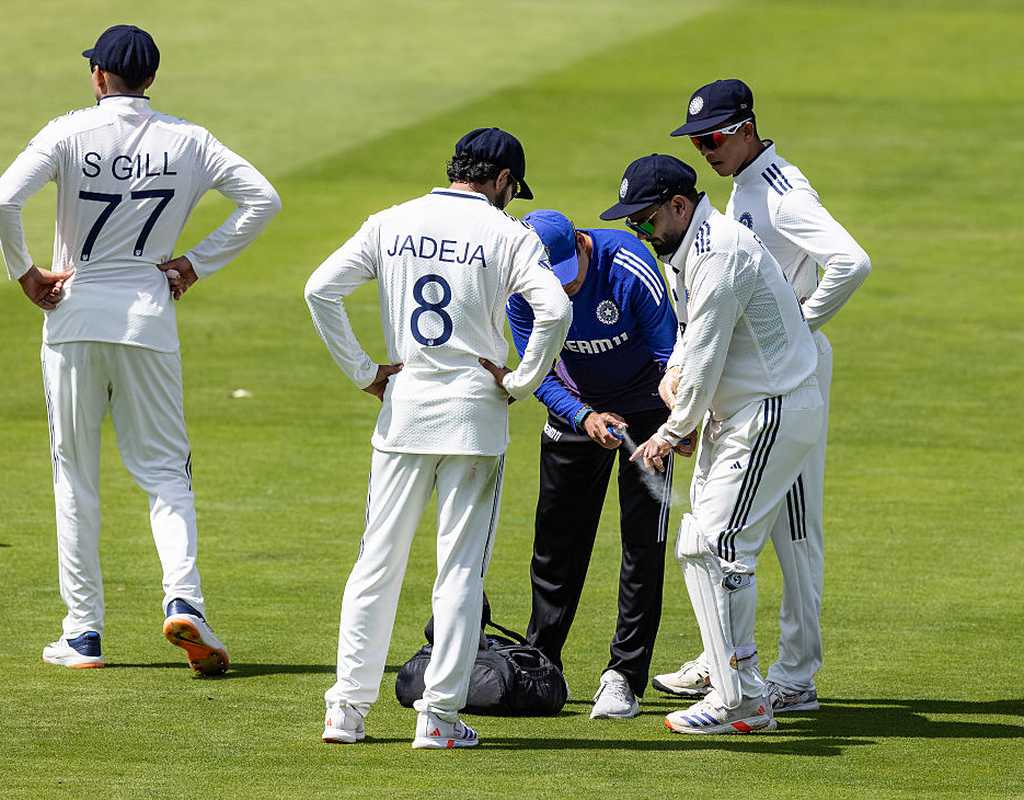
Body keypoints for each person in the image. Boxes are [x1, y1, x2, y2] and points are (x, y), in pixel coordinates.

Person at [0, 25, 281, 674]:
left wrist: (26, 273)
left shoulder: (67, 131)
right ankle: (185, 599)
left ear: (98, 75)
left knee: (75, 476)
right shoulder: (189, 139)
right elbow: (262, 200)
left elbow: (5, 200)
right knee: (165, 473)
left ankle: (83, 635)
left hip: (73, 315)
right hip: (149, 319)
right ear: (151, 78)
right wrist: (196, 262)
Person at [305, 127, 571, 749]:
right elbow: (555, 310)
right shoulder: (508, 234)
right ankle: (439, 717)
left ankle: (346, 711)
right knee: (460, 571)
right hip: (474, 418)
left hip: (404, 411)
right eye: (513, 188)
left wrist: (364, 372)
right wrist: (522, 381)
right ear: (501, 180)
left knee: (376, 561)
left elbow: (320, 289)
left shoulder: (390, 221)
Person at [653, 79, 871, 713]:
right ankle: (724, 655)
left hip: (788, 373)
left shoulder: (781, 192)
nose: (705, 150)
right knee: (731, 513)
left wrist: (803, 319)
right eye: (697, 141)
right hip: (758, 374)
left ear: (746, 128)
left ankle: (795, 674)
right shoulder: (744, 185)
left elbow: (851, 261)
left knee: (794, 526)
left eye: (714, 138)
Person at [602, 153, 822, 734]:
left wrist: (670, 431)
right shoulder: (687, 250)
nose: (640, 231)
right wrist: (673, 380)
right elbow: (689, 338)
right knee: (700, 544)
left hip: (771, 408)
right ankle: (735, 681)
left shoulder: (719, 252)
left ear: (679, 206)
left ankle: (741, 697)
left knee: (719, 545)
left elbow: (706, 352)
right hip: (741, 411)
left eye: (645, 219)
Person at [498, 208, 677, 720]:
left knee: (643, 544)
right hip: (575, 409)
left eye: (567, 276)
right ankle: (541, 663)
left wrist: (676, 425)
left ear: (581, 243)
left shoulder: (629, 266)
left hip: (648, 409)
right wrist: (584, 415)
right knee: (556, 544)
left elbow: (671, 353)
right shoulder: (521, 289)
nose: (563, 289)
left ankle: (624, 677)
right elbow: (536, 372)